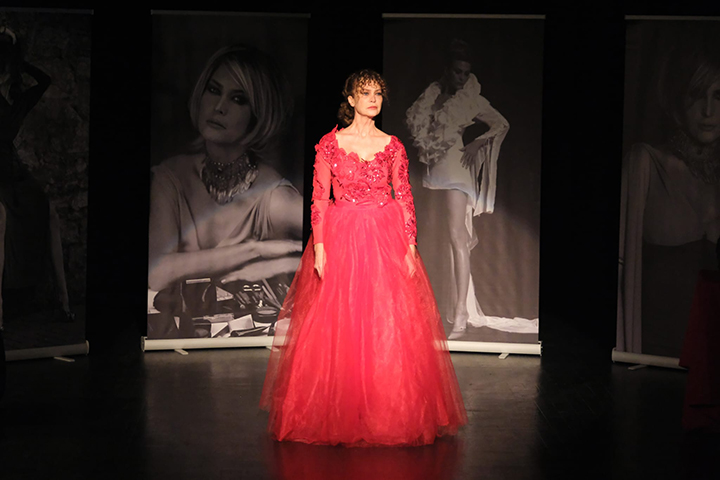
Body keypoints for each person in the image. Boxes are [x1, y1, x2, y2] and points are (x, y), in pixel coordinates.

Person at [260, 69, 467, 447]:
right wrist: (320, 247)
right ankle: (340, 407)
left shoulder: (392, 146)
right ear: (351, 100)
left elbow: (404, 195)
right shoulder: (329, 144)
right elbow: (319, 198)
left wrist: (410, 245)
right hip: (341, 236)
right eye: (365, 93)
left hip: (384, 235)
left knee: (385, 320)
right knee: (338, 321)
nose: (373, 99)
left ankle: (385, 409)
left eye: (378, 93)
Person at [147, 44, 304, 338]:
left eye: (238, 99)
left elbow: (338, 243)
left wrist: (288, 261)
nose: (219, 107)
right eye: (213, 90)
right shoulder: (171, 176)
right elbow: (157, 272)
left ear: (258, 115)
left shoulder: (274, 198)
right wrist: (255, 250)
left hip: (250, 350)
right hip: (174, 348)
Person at [617, 34, 720, 357]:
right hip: (656, 356)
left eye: (718, 96)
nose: (708, 110)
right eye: (696, 95)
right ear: (677, 99)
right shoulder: (646, 163)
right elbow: (620, 270)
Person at [406, 39, 512, 339]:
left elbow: (501, 124)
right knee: (435, 238)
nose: (462, 77)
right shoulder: (431, 96)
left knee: (456, 238)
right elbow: (420, 129)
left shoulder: (470, 99)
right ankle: (431, 309)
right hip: (432, 173)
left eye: (466, 72)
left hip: (456, 170)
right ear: (446, 70)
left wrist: (478, 142)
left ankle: (462, 313)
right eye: (457, 71)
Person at [0, 25, 74, 330]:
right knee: (1, 220)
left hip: (11, 168)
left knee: (49, 212)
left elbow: (45, 80)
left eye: (8, 62)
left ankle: (64, 300)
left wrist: (20, 60)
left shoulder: (19, 98)